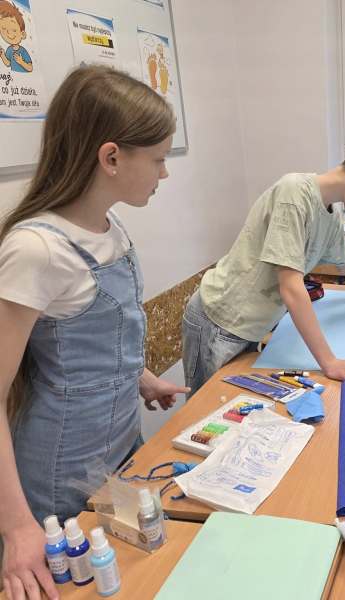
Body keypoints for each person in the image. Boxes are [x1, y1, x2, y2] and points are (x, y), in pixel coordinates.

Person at [0, 65, 189, 600]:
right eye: (157, 159)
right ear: (111, 158)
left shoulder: (111, 228)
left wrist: (141, 377)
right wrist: (18, 528)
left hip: (118, 448)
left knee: (128, 575)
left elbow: (93, 335)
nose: (164, 173)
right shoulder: (36, 249)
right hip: (58, 468)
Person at [181, 137, 345, 396]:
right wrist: (329, 362)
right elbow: (291, 286)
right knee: (203, 408)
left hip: (251, 326)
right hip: (220, 322)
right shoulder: (294, 194)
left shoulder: (332, 212)